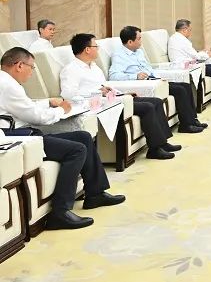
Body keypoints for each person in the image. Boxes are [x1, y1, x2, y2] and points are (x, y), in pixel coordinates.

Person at [0, 47, 125, 230]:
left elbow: (24, 106)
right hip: (19, 138)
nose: (32, 72)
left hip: (25, 134)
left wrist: (49, 102)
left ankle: (95, 193)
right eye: (31, 67)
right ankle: (60, 212)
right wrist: (61, 110)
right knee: (77, 150)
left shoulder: (7, 81)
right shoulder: (8, 85)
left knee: (83, 137)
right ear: (19, 65)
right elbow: (36, 117)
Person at [61, 33, 181, 160]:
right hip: (96, 105)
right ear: (87, 49)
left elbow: (105, 86)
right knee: (147, 107)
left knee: (156, 101)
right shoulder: (71, 70)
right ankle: (154, 149)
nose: (98, 49)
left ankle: (163, 143)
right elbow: (68, 94)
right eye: (96, 46)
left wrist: (123, 93)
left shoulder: (94, 67)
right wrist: (97, 92)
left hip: (111, 98)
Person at [109, 26, 205, 133]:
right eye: (139, 38)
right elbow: (113, 76)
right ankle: (186, 125)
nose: (141, 41)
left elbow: (148, 68)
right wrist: (135, 76)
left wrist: (159, 76)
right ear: (130, 42)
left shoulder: (139, 52)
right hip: (142, 84)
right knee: (180, 90)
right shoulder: (118, 55)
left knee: (185, 86)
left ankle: (192, 120)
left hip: (153, 79)